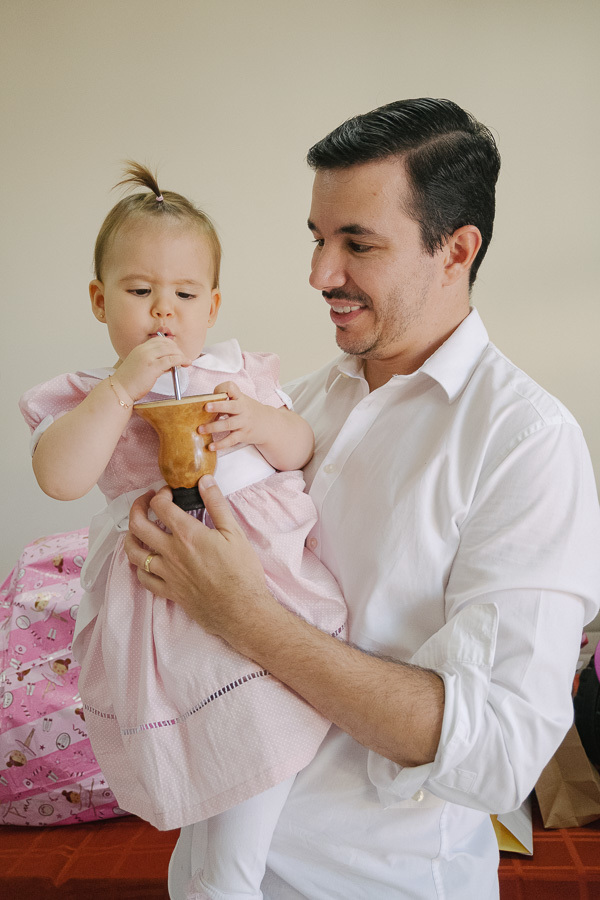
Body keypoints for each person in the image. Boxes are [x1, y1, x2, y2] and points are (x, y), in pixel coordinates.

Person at [124, 99, 600, 900]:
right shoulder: (288, 407)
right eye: (316, 238)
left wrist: (244, 615)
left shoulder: (526, 445)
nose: (318, 275)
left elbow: (499, 752)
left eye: (358, 244)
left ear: (456, 250)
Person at [19, 163, 347, 900]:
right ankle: (200, 882)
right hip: (163, 611)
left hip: (261, 594)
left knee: (252, 756)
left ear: (213, 305)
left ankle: (223, 885)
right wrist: (120, 388)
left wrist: (261, 422)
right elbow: (60, 476)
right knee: (204, 779)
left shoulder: (234, 376)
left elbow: (299, 448)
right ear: (101, 301)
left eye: (185, 294)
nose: (164, 313)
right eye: (140, 292)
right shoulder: (92, 395)